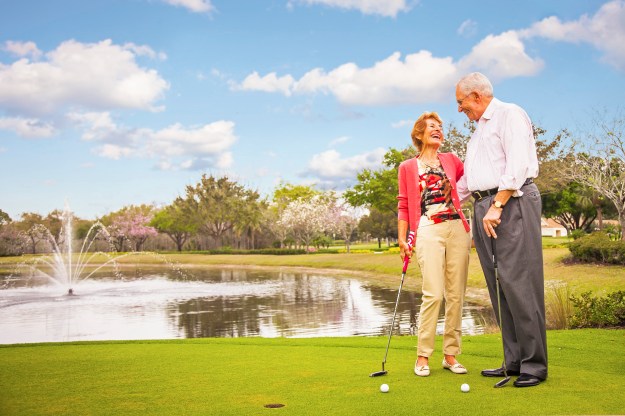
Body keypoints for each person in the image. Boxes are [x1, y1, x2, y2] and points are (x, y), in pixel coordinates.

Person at [454, 72, 548, 387]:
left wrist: (498, 204)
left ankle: (534, 365)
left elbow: (518, 164)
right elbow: (471, 179)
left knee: (519, 282)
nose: (459, 109)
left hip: (510, 203)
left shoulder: (510, 114)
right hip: (484, 206)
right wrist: (446, 199)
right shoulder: (478, 132)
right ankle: (514, 361)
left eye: (461, 102)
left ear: (477, 95)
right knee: (500, 286)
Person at [397, 111, 472, 377]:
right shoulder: (407, 167)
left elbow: (472, 180)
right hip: (428, 228)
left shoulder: (452, 160)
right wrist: (402, 237)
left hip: (458, 229)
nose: (438, 129)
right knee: (433, 294)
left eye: (440, 126)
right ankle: (423, 357)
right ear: (419, 134)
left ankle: (450, 355)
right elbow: (404, 204)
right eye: (432, 126)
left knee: (456, 295)